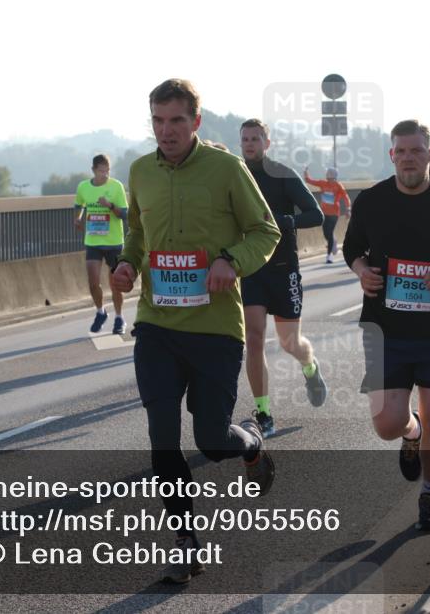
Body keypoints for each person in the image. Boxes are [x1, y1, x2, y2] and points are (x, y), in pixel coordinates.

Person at [110, 79, 280, 584]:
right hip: (158, 326)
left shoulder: (227, 169)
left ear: (196, 122)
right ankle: (185, 543)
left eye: (177, 121)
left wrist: (232, 260)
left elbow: (265, 231)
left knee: (210, 439)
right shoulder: (139, 172)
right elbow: (138, 233)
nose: (167, 131)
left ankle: (248, 443)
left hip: (215, 328)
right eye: (158, 121)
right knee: (162, 439)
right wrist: (126, 263)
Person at [342, 119, 430, 532]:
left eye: (416, 151)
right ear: (392, 155)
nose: (408, 158)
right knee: (388, 424)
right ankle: (412, 432)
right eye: (401, 151)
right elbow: (353, 248)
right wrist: (361, 271)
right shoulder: (372, 201)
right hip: (386, 329)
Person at [239, 119, 326, 438]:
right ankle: (263, 412)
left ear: (267, 142)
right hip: (251, 269)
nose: (250, 144)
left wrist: (284, 220)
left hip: (283, 268)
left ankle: (310, 367)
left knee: (291, 342)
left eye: (255, 138)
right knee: (255, 337)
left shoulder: (283, 174)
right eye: (245, 139)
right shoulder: (235, 175)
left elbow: (315, 214)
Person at [75, 154, 129, 334]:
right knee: (93, 282)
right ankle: (101, 311)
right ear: (93, 170)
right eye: (101, 171)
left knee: (115, 283)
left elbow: (124, 214)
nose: (105, 174)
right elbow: (79, 205)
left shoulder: (116, 186)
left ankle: (119, 318)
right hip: (93, 241)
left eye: (107, 170)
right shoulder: (83, 187)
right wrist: (78, 218)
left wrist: (110, 205)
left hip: (113, 242)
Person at [304, 166, 351, 263]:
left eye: (332, 178)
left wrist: (348, 209)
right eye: (329, 177)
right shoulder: (323, 183)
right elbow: (309, 180)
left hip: (334, 213)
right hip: (324, 213)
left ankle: (329, 256)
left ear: (335, 177)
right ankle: (333, 242)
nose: (331, 180)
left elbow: (346, 197)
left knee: (329, 233)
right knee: (326, 234)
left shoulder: (338, 186)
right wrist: (305, 172)